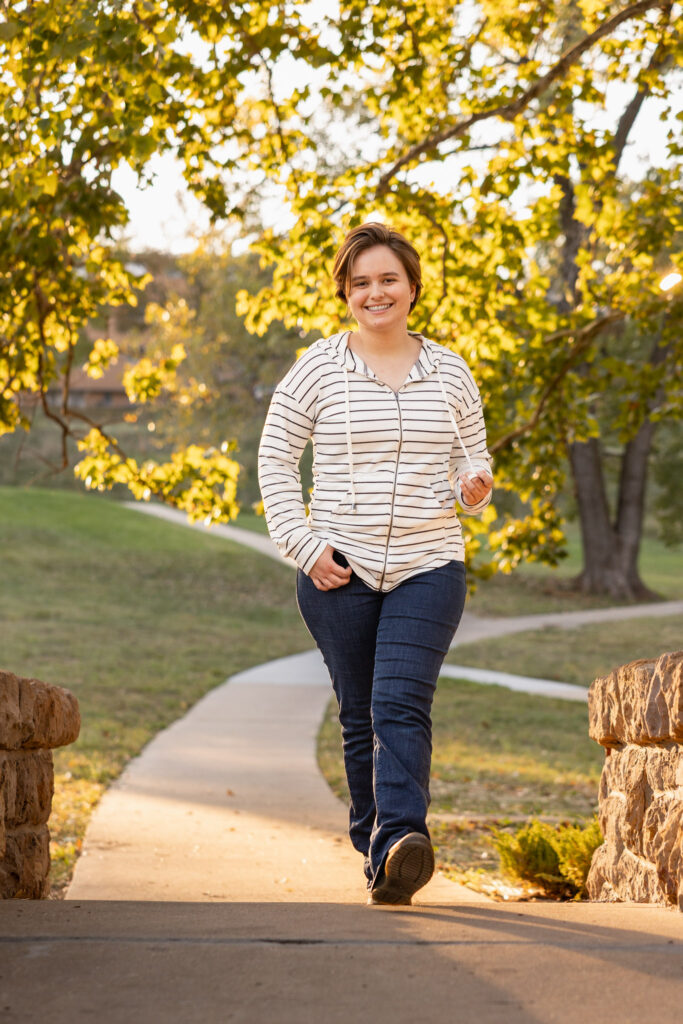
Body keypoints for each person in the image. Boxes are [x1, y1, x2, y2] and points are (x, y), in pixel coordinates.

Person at [258, 222, 493, 905]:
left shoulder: (449, 371)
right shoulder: (316, 369)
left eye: (387, 278)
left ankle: (400, 836)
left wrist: (472, 486)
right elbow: (275, 461)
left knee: (399, 701)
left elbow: (467, 459)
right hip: (338, 570)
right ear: (345, 293)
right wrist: (303, 547)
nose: (374, 292)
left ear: (413, 287)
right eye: (360, 282)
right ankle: (381, 853)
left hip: (429, 563)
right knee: (360, 712)